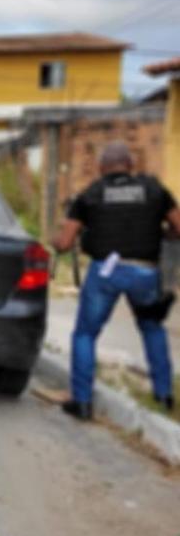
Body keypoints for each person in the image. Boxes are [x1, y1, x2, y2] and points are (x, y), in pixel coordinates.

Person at [52, 141, 180, 420]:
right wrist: (166, 233)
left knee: (86, 334)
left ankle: (82, 402)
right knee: (152, 329)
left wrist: (57, 238)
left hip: (105, 273)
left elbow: (64, 243)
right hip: (145, 272)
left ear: (101, 168)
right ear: (131, 166)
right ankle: (164, 395)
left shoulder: (90, 195)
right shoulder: (154, 190)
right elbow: (178, 226)